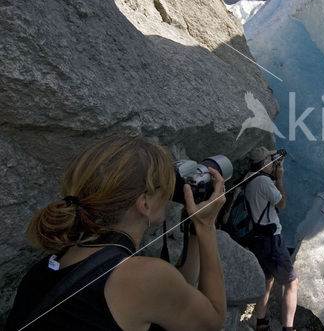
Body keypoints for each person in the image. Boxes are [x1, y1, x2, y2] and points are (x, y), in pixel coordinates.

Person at [6, 137, 227, 331]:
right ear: (144, 203)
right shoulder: (145, 277)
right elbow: (212, 321)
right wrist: (207, 226)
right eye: (164, 187)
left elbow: (177, 295)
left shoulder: (54, 263)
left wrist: (196, 229)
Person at [244, 146, 297, 331]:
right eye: (269, 161)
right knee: (291, 281)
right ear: (264, 163)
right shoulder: (264, 182)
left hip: (258, 238)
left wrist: (272, 174)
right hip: (271, 239)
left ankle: (260, 322)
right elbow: (281, 203)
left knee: (267, 280)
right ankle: (288, 328)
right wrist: (280, 178)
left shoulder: (248, 178)